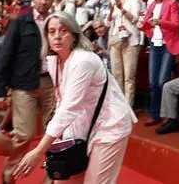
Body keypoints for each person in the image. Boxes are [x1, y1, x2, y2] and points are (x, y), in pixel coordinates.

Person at [13, 11, 137, 183]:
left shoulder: (83, 61)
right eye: (51, 31)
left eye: (63, 31)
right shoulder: (54, 61)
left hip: (110, 126)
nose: (57, 36)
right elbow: (62, 102)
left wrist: (39, 150)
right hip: (82, 125)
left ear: (74, 35)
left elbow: (69, 108)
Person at [0, 0, 55, 184]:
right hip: (23, 85)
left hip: (51, 83)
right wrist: (0, 91)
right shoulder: (21, 22)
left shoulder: (57, 22)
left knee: (54, 135)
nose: (43, 2)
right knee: (24, 136)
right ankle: (9, 176)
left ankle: (52, 178)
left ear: (52, 0)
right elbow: (5, 56)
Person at [141, 0, 179, 127]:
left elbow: (177, 24)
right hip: (155, 45)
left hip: (168, 46)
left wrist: (160, 22)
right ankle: (155, 114)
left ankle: (168, 114)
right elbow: (146, 24)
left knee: (162, 82)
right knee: (153, 82)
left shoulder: (171, 3)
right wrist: (145, 27)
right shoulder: (152, 4)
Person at [107, 0, 141, 106]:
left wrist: (122, 9)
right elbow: (108, 23)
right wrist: (111, 12)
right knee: (117, 75)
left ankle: (128, 108)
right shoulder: (114, 1)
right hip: (116, 40)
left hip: (131, 40)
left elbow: (135, 19)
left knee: (129, 77)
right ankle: (119, 107)